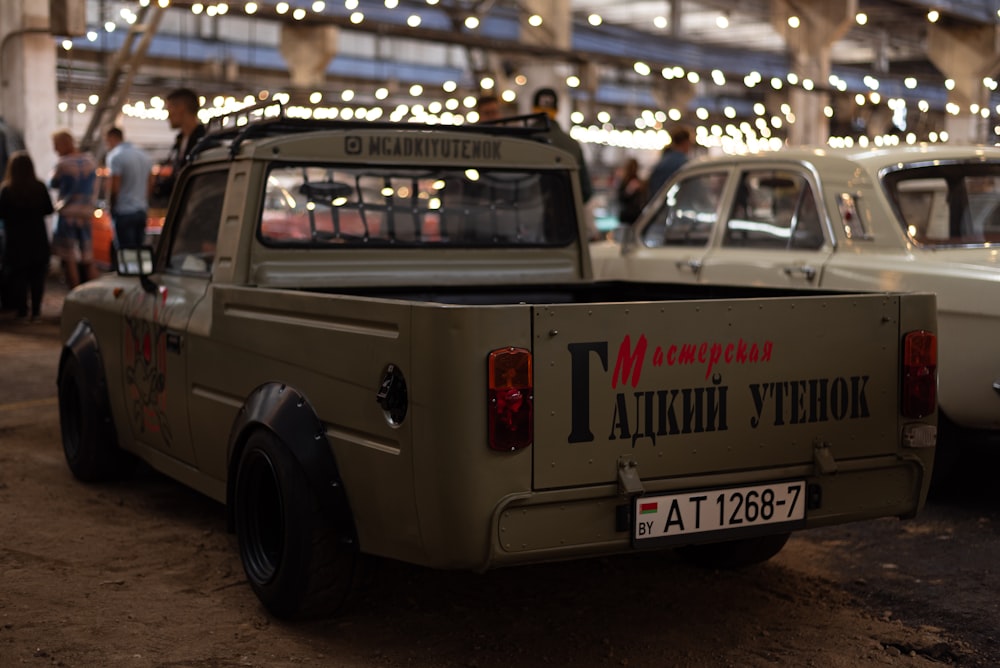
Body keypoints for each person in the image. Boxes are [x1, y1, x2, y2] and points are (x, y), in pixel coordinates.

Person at [0, 151, 54, 322]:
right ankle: (36, 311)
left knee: (19, 277)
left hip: (15, 240)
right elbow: (49, 210)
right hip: (37, 238)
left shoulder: (7, 190)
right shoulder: (40, 187)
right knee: (37, 276)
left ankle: (22, 310)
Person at [50, 129, 99, 288]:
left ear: (65, 143)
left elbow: (52, 183)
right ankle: (91, 294)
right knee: (87, 256)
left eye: (56, 145)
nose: (55, 150)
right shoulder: (91, 161)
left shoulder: (63, 164)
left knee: (69, 256)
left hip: (68, 214)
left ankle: (74, 292)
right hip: (85, 214)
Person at [531, 87, 594, 205]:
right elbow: (585, 191)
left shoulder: (521, 140)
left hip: (525, 218)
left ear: (532, 109)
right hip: (562, 219)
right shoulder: (572, 145)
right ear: (557, 110)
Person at [151, 87, 206, 207]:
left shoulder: (203, 142)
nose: (168, 116)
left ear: (181, 108)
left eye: (169, 109)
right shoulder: (181, 141)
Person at [104, 126, 152, 251]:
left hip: (124, 211)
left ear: (112, 138)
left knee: (125, 254)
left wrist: (110, 206)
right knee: (138, 251)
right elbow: (150, 183)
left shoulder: (115, 156)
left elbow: (114, 186)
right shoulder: (144, 155)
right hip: (141, 209)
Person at [647, 126, 693, 202]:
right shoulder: (683, 163)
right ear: (686, 142)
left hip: (658, 204)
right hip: (673, 205)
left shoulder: (664, 159)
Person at [616, 156, 647, 226]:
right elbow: (620, 198)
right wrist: (629, 190)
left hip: (635, 216)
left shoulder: (638, 181)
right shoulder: (624, 182)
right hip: (627, 216)